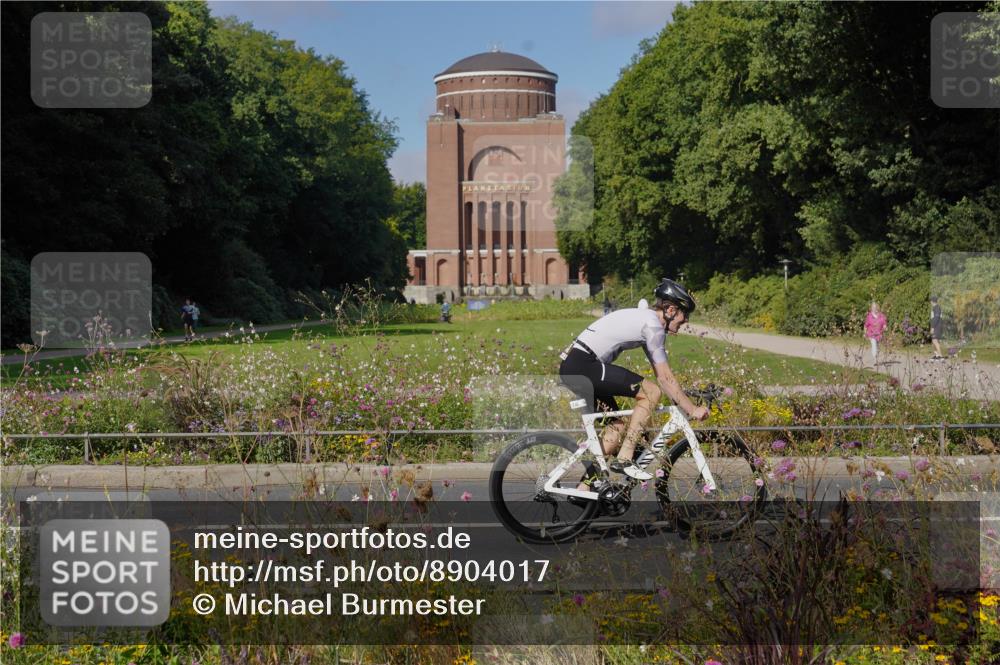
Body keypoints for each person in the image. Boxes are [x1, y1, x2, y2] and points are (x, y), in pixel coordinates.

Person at [559, 278, 710, 482]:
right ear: (671, 310)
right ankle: (625, 458)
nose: (686, 321)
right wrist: (692, 409)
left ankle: (584, 490)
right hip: (584, 365)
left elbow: (661, 372)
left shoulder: (648, 321)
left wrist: (682, 396)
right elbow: (664, 380)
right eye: (685, 314)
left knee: (616, 430)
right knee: (651, 392)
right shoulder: (653, 326)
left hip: (577, 366)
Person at [864, 301, 887, 366]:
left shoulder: (881, 315)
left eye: (875, 307)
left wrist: (885, 327)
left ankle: (876, 358)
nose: (874, 308)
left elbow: (884, 323)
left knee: (878, 347)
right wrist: (865, 332)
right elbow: (866, 325)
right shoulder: (869, 316)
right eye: (873, 307)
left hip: (879, 334)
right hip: (871, 334)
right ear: (871, 308)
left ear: (877, 307)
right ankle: (875, 360)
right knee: (874, 346)